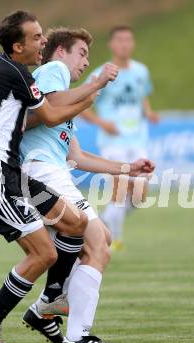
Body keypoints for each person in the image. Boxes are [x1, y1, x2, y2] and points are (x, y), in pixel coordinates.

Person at [19, 27, 155, 343]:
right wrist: (95, 85)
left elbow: (77, 156)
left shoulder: (65, 98)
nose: (85, 62)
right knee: (97, 243)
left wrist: (128, 168)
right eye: (81, 53)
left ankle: (46, 310)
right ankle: (73, 330)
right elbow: (50, 107)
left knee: (102, 239)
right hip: (42, 174)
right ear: (61, 52)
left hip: (55, 174)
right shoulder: (52, 72)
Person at [0, 11, 94, 343]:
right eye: (36, 37)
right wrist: (93, 90)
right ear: (17, 45)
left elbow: (47, 113)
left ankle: (52, 299)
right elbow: (52, 115)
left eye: (42, 36)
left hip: (11, 173)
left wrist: (84, 96)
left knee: (75, 222)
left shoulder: (8, 71)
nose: (43, 42)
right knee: (44, 252)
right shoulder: (13, 73)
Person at [81, 26, 159, 250]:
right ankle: (114, 239)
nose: (124, 44)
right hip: (112, 142)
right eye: (120, 40)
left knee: (140, 195)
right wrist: (102, 123)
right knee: (121, 189)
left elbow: (142, 97)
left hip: (137, 140)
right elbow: (83, 104)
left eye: (128, 40)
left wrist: (149, 112)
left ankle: (104, 220)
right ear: (111, 45)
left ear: (132, 44)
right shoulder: (102, 73)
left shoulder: (140, 71)